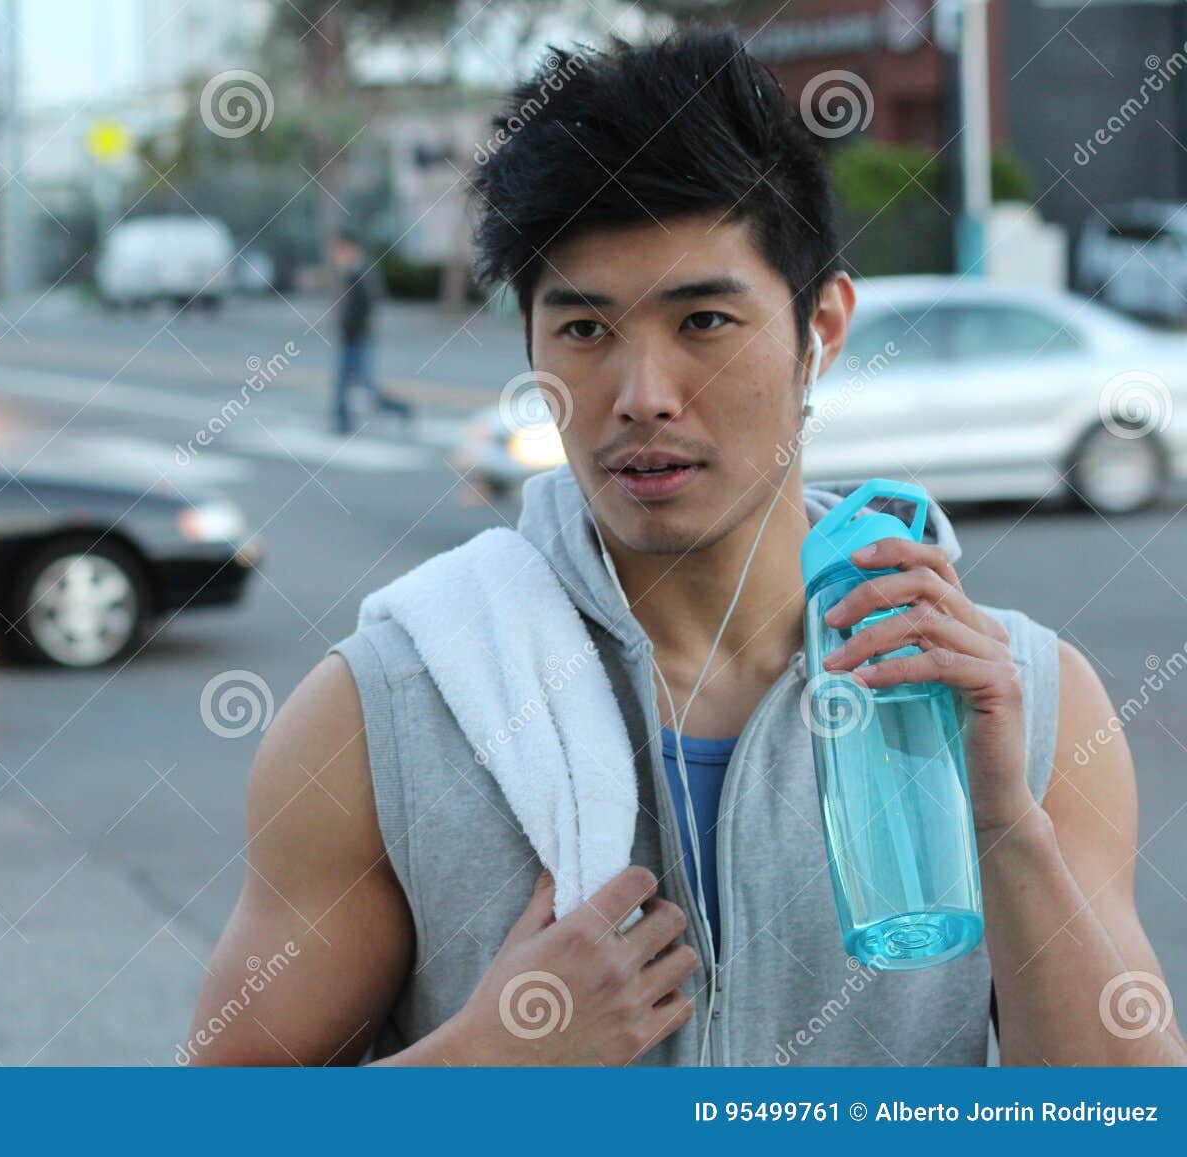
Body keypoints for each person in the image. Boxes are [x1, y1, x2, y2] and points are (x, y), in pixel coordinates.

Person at [188, 29, 1185, 1066]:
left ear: (823, 328)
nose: (641, 395)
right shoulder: (388, 709)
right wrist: (482, 1066)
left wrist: (1005, 827)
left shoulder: (1016, 697)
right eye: (583, 329)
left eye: (703, 319)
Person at [329, 232, 412, 434]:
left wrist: (356, 328)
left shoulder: (361, 272)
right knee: (345, 382)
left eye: (340, 251)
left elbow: (370, 302)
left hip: (358, 338)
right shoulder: (353, 272)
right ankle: (342, 421)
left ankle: (400, 409)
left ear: (351, 249)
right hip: (351, 337)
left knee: (363, 385)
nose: (337, 257)